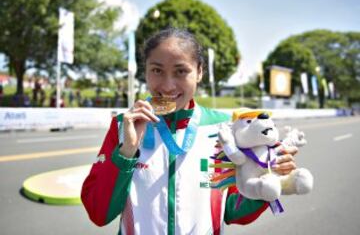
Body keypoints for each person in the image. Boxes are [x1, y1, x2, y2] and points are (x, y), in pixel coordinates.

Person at [81, 28, 298, 235]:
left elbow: (232, 210)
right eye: (157, 70)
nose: (167, 85)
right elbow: (99, 213)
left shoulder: (226, 129)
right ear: (145, 71)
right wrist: (126, 153)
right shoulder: (123, 125)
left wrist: (265, 181)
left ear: (199, 72)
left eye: (181, 71)